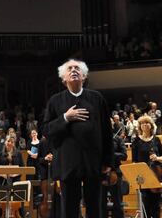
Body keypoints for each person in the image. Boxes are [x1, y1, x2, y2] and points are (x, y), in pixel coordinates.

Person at [43, 59, 113, 218]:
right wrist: (66, 118)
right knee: (69, 209)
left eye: (77, 68)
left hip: (93, 161)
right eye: (70, 68)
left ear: (84, 76)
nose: (74, 70)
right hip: (67, 162)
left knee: (95, 207)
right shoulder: (55, 101)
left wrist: (108, 162)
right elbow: (46, 130)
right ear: (63, 78)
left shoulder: (97, 98)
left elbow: (106, 132)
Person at [132, 114, 162, 218]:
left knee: (156, 206)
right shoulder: (136, 141)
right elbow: (134, 161)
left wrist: (157, 158)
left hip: (156, 175)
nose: (144, 125)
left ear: (151, 125)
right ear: (139, 126)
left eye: (147, 123)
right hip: (143, 177)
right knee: (145, 206)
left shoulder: (156, 140)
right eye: (142, 123)